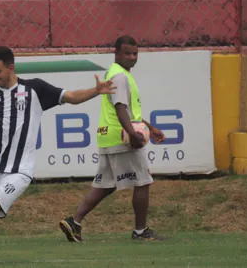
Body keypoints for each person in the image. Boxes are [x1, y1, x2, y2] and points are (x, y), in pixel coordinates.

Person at [0, 46, 116, 266]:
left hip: (20, 169)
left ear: (11, 67)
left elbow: (71, 97)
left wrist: (95, 91)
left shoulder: (35, 89)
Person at [59, 35, 166, 243]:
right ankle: (140, 231)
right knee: (143, 182)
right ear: (116, 53)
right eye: (127, 53)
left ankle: (74, 222)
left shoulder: (117, 74)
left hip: (109, 137)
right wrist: (132, 134)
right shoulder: (120, 76)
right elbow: (120, 108)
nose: (132, 57)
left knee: (105, 185)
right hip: (122, 138)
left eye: (135, 53)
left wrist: (150, 127)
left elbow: (127, 109)